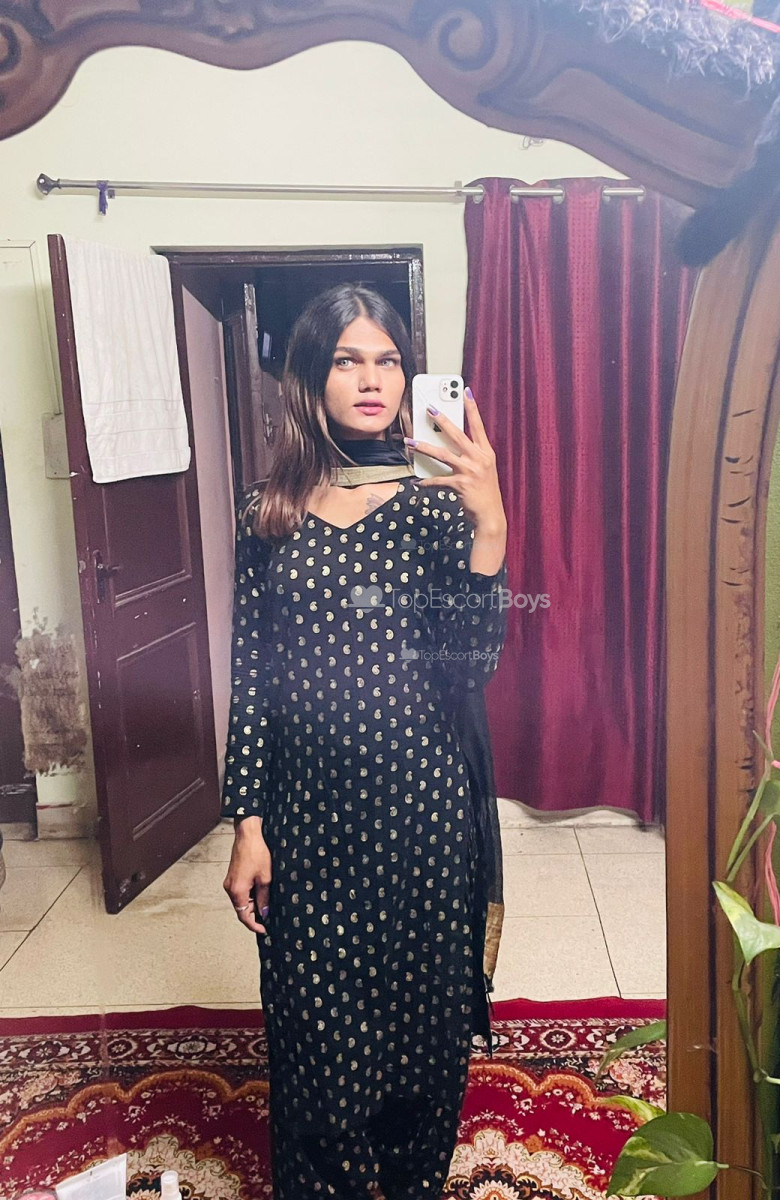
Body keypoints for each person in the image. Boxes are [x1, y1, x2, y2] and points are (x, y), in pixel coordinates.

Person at [221, 281, 509, 1199]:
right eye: (348, 360)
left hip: (423, 815)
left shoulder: (435, 505)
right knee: (315, 1031)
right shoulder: (267, 511)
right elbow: (252, 673)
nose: (373, 379)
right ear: (311, 377)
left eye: (388, 360)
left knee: (424, 1033)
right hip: (306, 821)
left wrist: (490, 522)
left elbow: (471, 668)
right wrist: (247, 822)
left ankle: (413, 1182)